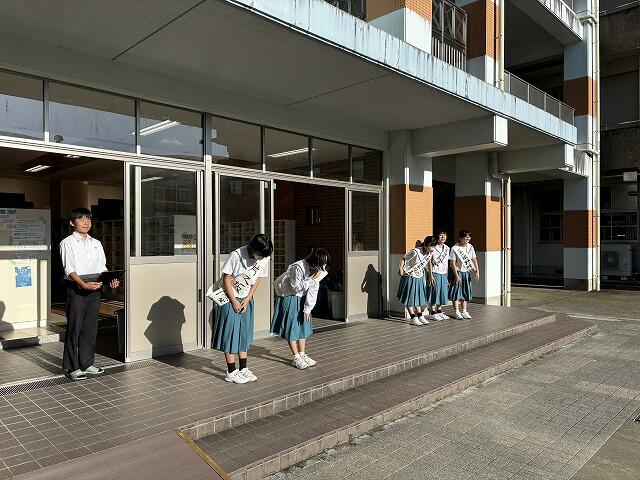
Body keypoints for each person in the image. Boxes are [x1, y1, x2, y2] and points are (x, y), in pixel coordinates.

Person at [60, 208, 120, 381]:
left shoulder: (96, 243)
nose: (86, 222)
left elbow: (102, 267)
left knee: (90, 329)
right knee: (74, 329)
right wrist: (83, 284)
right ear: (72, 222)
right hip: (76, 289)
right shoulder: (67, 242)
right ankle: (72, 367)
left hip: (95, 289)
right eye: (81, 219)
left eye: (88, 219)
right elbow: (69, 269)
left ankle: (86, 363)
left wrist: (110, 280)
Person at [212, 233, 273, 384]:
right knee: (230, 334)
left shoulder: (263, 257)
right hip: (230, 298)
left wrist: (247, 299)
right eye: (259, 254)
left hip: (246, 299)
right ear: (253, 248)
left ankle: (243, 368)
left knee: (244, 333)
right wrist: (234, 301)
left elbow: (257, 279)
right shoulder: (236, 255)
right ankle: (231, 371)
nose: (261, 258)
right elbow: (226, 278)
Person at [271, 248, 330, 369]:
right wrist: (311, 279)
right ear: (314, 261)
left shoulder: (319, 269)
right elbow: (295, 287)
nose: (321, 268)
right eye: (320, 264)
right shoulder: (297, 267)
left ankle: (302, 354)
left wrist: (308, 308)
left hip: (303, 298)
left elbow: (314, 289)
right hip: (290, 297)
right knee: (291, 328)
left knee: (303, 327)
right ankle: (296, 357)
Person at [397, 236, 434, 326]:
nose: (432, 248)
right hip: (410, 275)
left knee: (417, 296)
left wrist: (430, 275)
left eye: (433, 246)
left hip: (419, 276)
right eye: (430, 246)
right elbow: (404, 258)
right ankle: (413, 317)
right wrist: (400, 269)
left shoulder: (430, 253)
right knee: (409, 297)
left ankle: (420, 316)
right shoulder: (415, 252)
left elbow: (429, 262)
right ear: (425, 245)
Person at [449, 229, 480, 319]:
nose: (467, 239)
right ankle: (456, 311)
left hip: (466, 272)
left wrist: (477, 270)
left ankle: (464, 311)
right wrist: (456, 276)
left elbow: (474, 259)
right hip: (458, 272)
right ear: (460, 238)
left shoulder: (470, 246)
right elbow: (452, 263)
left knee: (465, 292)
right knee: (456, 292)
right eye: (465, 238)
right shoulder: (455, 248)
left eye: (469, 238)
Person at [427, 229, 450, 320]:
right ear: (437, 237)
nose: (443, 237)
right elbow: (429, 261)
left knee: (442, 292)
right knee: (434, 292)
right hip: (435, 272)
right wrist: (430, 275)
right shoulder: (433, 247)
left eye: (444, 235)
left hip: (443, 273)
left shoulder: (447, 248)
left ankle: (439, 311)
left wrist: (447, 277)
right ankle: (432, 312)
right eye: (441, 235)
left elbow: (446, 263)